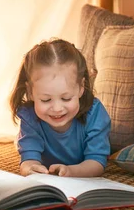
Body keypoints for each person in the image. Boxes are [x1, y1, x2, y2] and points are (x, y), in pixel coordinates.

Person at [9, 39, 111, 178]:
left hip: (78, 171)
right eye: (46, 100)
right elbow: (28, 160)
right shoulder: (29, 115)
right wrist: (30, 169)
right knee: (23, 144)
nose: (57, 108)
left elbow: (97, 163)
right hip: (47, 172)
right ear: (30, 92)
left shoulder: (95, 113)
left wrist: (70, 171)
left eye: (66, 98)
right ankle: (18, 141)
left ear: (81, 87)